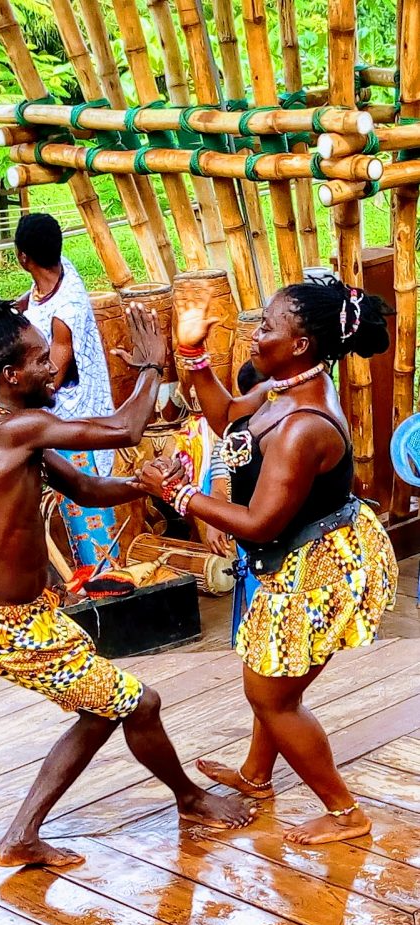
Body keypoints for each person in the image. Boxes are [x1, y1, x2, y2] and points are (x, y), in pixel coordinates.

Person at [0, 292, 254, 868]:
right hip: (9, 628)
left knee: (108, 706)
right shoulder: (9, 432)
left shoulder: (14, 431)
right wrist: (147, 367)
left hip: (20, 617)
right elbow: (124, 427)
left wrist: (146, 488)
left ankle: (21, 837)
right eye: (42, 359)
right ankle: (189, 798)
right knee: (140, 704)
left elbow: (88, 490)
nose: (53, 366)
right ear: (11, 375)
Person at [137, 277, 398, 845]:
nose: (256, 335)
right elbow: (228, 417)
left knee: (270, 693)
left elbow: (259, 523)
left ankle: (345, 814)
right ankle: (257, 776)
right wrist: (192, 354)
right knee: (272, 678)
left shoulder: (303, 427)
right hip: (301, 551)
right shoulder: (285, 387)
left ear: (301, 344)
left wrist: (178, 496)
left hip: (322, 564)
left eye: (268, 327)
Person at [14, 213, 117, 578]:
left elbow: (52, 377)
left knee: (87, 508)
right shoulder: (60, 270)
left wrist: (15, 399)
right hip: (63, 416)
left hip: (75, 417)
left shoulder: (66, 312)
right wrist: (13, 311)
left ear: (22, 256)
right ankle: (93, 579)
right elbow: (34, 296)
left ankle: (106, 583)